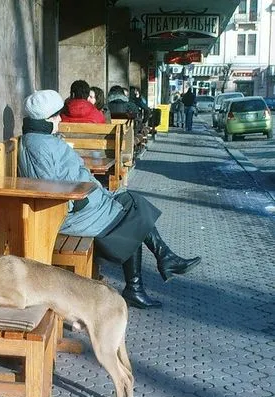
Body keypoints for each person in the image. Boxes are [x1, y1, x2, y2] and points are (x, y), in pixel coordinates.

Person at [18, 90, 201, 309]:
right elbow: (50, 192)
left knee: (133, 201)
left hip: (85, 201)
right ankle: (143, 281)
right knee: (132, 217)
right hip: (73, 212)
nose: (60, 118)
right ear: (45, 120)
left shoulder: (43, 140)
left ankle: (158, 264)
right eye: (56, 115)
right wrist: (83, 199)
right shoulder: (40, 145)